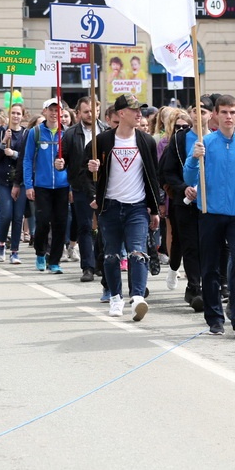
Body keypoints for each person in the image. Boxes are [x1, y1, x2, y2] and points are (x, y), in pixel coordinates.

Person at [183, 94, 235, 337]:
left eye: (233, 112)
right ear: (216, 115)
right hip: (210, 213)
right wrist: (194, 159)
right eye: (224, 112)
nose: (229, 117)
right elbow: (189, 179)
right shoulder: (204, 143)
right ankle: (214, 318)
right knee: (210, 267)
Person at [86, 93, 162, 320]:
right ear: (121, 113)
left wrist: (155, 209)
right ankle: (115, 298)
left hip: (136, 207)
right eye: (134, 110)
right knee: (110, 256)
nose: (140, 114)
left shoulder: (146, 141)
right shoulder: (103, 141)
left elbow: (152, 177)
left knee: (138, 252)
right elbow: (81, 173)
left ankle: (138, 297)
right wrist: (92, 174)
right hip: (109, 206)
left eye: (141, 110)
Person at [159, 108, 205, 310]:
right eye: (195, 110)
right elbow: (167, 171)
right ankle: (194, 287)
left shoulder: (217, 139)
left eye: (203, 110)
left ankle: (218, 284)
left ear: (211, 114)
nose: (198, 114)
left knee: (210, 244)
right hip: (184, 202)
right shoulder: (179, 140)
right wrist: (183, 188)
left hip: (211, 203)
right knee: (189, 243)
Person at [62, 97, 106, 282]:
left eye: (93, 110)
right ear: (79, 113)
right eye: (86, 111)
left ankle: (101, 263)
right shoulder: (71, 133)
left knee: (104, 226)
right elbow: (64, 159)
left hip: (103, 186)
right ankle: (87, 266)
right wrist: (60, 164)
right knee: (85, 226)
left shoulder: (106, 131)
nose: (90, 114)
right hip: (80, 187)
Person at [23, 99, 70, 274]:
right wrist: (29, 185)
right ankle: (40, 253)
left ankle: (55, 260)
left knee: (60, 223)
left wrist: (71, 187)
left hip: (62, 185)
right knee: (42, 222)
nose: (54, 113)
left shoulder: (67, 134)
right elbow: (27, 160)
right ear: (44, 111)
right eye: (51, 110)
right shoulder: (35, 133)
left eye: (58, 110)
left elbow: (72, 162)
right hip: (41, 185)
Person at [0, 103, 27, 264]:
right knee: (6, 214)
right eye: (13, 113)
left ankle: (15, 251)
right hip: (2, 180)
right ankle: (1, 244)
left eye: (18, 113)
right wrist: (4, 141)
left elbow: (27, 157)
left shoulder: (26, 134)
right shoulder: (0, 132)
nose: (15, 116)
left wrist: (14, 154)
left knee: (18, 216)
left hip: (19, 179)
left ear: (22, 116)